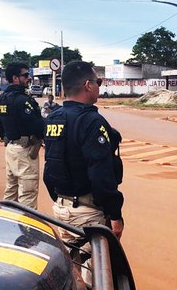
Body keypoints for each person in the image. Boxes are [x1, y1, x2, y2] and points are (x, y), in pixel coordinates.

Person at [43, 60, 124, 245]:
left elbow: (50, 166)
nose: (99, 87)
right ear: (88, 85)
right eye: (98, 82)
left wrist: (61, 200)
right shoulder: (92, 121)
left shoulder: (53, 118)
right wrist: (115, 215)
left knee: (73, 268)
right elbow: (101, 174)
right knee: (97, 270)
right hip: (88, 214)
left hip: (61, 209)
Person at [0, 62, 44, 209]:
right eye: (25, 75)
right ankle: (27, 230)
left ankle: (7, 224)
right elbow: (37, 126)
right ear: (15, 78)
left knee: (11, 191)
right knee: (27, 195)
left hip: (10, 148)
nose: (28, 78)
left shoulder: (2, 99)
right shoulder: (22, 100)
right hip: (25, 152)